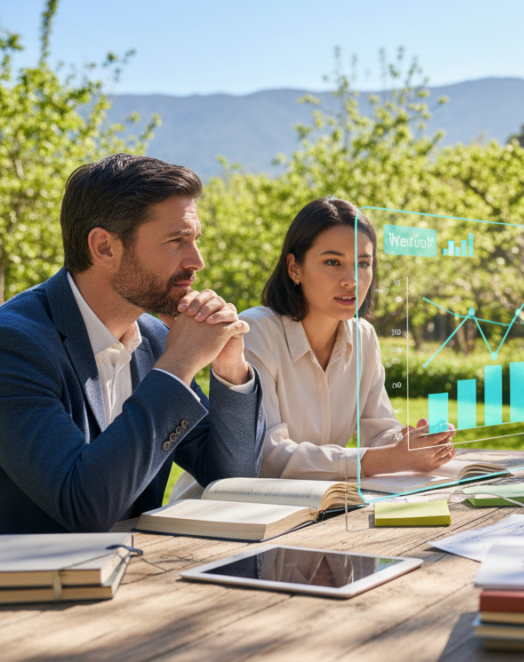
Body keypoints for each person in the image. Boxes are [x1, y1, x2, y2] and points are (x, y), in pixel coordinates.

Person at [0, 154, 266, 534]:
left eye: (195, 240)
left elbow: (233, 478)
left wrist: (229, 369)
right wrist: (178, 365)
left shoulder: (155, 338)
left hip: (140, 578)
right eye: (177, 240)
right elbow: (83, 506)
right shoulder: (13, 345)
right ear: (105, 247)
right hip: (38, 588)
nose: (198, 261)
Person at [238, 198, 454, 481]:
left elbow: (378, 429)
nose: (351, 279)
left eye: (363, 264)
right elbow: (268, 457)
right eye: (332, 262)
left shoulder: (363, 336)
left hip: (314, 509)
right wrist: (387, 458)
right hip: (233, 511)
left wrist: (409, 440)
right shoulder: (256, 331)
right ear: (294, 268)